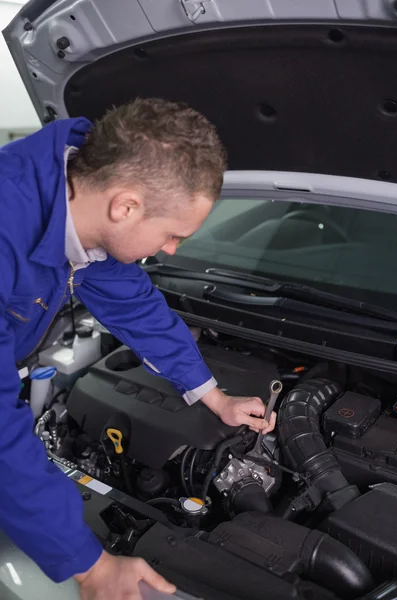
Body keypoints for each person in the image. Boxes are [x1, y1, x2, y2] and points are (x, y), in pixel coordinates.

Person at [0, 97, 276, 599]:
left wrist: (213, 396)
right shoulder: (5, 229)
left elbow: (134, 304)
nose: (172, 249)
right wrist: (90, 565)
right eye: (173, 234)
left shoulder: (74, 202)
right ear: (125, 205)